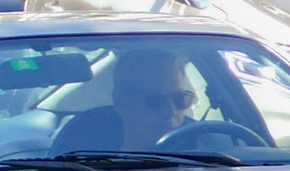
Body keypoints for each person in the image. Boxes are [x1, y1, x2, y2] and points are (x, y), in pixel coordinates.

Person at [52, 49, 201, 154]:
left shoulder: (210, 147)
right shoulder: (79, 148)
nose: (171, 111)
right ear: (122, 102)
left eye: (180, 99)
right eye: (155, 101)